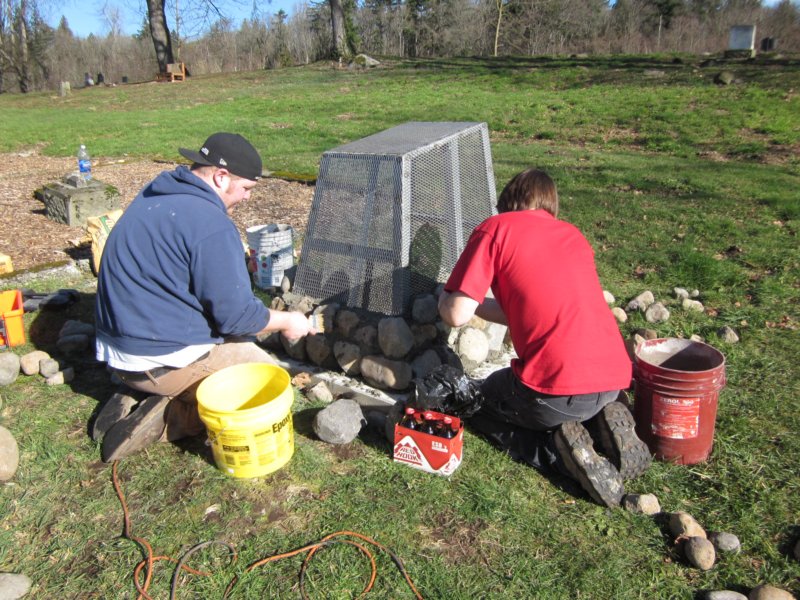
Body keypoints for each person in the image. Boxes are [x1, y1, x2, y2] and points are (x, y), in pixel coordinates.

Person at [93, 132, 314, 463]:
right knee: (271, 383)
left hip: (118, 348)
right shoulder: (210, 224)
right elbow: (237, 317)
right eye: (246, 188)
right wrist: (289, 321)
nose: (248, 198)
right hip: (157, 358)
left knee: (238, 339)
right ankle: (170, 419)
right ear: (221, 176)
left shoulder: (157, 193)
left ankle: (138, 388)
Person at [438, 168, 650, 507]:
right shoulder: (571, 235)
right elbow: (521, 311)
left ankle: (557, 453)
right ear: (550, 205)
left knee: (477, 403)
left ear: (506, 201)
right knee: (574, 400)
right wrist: (479, 304)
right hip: (612, 380)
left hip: (554, 390)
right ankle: (598, 427)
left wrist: (443, 298)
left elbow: (456, 314)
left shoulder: (496, 228)